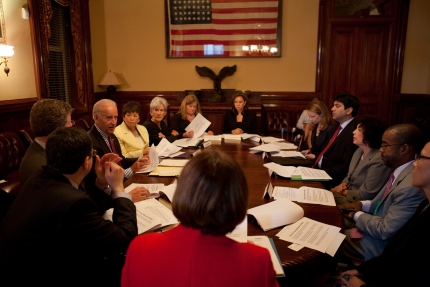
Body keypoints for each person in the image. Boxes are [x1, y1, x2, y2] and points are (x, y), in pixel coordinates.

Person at [0, 127, 138, 286]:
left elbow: (88, 213)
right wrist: (118, 189)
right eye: (93, 154)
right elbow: (126, 239)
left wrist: (101, 182)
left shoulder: (41, 176)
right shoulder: (72, 203)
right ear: (86, 162)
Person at [121, 149, 279, 287]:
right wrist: (246, 255)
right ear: (238, 199)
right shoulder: (257, 261)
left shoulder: (139, 249)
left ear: (181, 191)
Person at [338, 141, 430, 287]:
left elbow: (409, 273)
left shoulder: (411, 189)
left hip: (379, 247)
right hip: (382, 263)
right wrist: (364, 270)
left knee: (333, 238)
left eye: (421, 158)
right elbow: (397, 255)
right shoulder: (425, 205)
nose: (414, 163)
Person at [87, 99, 150, 203]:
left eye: (115, 117)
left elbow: (121, 160)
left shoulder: (112, 136)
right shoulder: (90, 142)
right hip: (107, 197)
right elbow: (102, 180)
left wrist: (138, 161)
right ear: (96, 118)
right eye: (109, 118)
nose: (114, 122)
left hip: (123, 184)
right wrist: (132, 170)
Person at [331, 117, 391, 205]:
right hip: (348, 195)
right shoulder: (359, 150)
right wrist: (343, 184)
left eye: (359, 130)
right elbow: (350, 176)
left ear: (370, 134)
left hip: (359, 203)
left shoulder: (379, 159)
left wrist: (341, 192)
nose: (353, 132)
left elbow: (368, 193)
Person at [19, 99, 74, 185]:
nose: (71, 125)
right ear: (57, 131)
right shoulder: (40, 169)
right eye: (69, 123)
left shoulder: (52, 148)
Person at [317, 93, 360, 188]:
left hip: (331, 180)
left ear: (348, 110)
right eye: (333, 105)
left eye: (337, 106)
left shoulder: (354, 132)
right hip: (318, 171)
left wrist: (319, 173)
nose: (332, 109)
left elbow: (346, 167)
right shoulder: (335, 128)